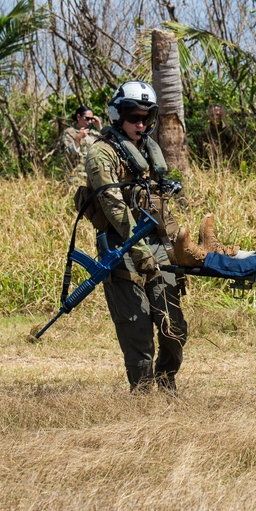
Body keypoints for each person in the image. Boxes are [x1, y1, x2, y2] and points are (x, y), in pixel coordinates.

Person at [83, 81, 187, 394]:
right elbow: (115, 209)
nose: (140, 124)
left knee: (174, 326)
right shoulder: (101, 154)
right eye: (133, 117)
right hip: (120, 247)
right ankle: (142, 397)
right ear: (118, 116)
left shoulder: (148, 153)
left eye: (146, 117)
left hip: (157, 245)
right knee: (137, 329)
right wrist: (140, 252)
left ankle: (167, 384)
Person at [59, 105, 101, 182]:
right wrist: (78, 139)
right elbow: (69, 156)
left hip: (93, 176)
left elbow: (107, 144)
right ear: (78, 117)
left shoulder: (94, 134)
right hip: (76, 176)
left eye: (92, 119)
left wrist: (99, 127)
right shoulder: (69, 133)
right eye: (87, 119)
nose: (90, 122)